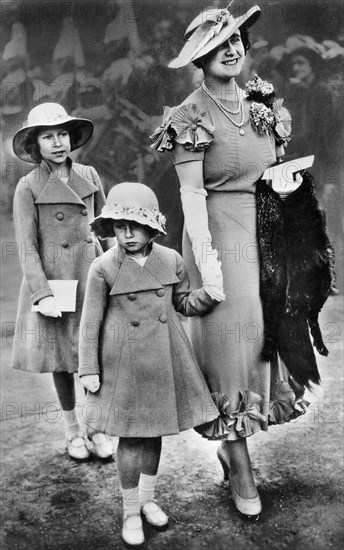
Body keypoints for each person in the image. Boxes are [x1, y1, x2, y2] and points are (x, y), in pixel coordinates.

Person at [150, 4, 332, 520]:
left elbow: (270, 172)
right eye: (218, 46)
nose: (231, 50)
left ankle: (233, 452)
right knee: (233, 341)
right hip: (216, 234)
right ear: (200, 59)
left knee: (262, 337)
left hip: (265, 233)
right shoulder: (190, 115)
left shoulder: (261, 102)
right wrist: (206, 265)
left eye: (236, 41)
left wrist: (289, 190)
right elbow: (189, 197)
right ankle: (240, 461)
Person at [78, 182, 221, 546]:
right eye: (119, 225)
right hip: (123, 363)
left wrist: (207, 295)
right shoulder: (103, 267)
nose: (127, 234)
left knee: (154, 432)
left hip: (162, 357)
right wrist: (89, 368)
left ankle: (147, 500)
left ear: (152, 227)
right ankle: (129, 510)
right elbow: (90, 322)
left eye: (135, 225)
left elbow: (183, 303)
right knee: (130, 437)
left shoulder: (171, 260)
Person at [11, 102, 113, 461]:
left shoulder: (89, 174)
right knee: (61, 360)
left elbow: (107, 226)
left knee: (93, 354)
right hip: (56, 283)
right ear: (35, 144)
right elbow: (26, 247)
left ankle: (97, 427)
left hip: (90, 276)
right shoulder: (28, 186)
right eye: (48, 136)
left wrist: (120, 266)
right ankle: (72, 432)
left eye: (63, 134)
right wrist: (42, 292)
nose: (58, 143)